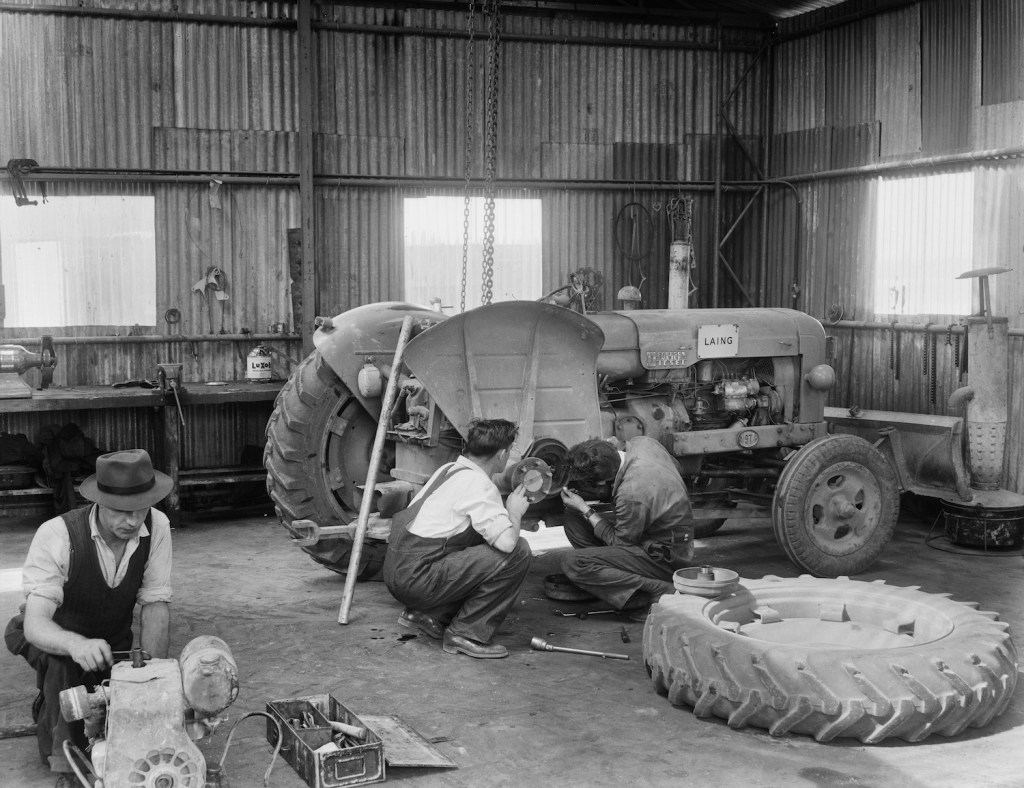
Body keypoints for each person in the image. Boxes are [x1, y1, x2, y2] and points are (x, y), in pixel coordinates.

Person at [5, 449, 173, 788]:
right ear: (99, 502)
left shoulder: (158, 527)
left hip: (112, 637)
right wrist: (75, 643)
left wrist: (153, 674)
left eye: (141, 508)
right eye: (122, 511)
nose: (133, 520)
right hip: (55, 634)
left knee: (123, 699)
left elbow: (155, 604)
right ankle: (68, 769)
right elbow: (37, 623)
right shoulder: (57, 535)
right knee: (66, 669)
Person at [383, 418, 531, 659]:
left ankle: (428, 614)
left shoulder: (449, 469)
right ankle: (466, 633)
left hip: (397, 571)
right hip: (417, 579)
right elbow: (507, 543)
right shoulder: (479, 484)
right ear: (502, 454)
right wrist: (514, 512)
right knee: (517, 552)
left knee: (477, 538)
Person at [555, 436, 693, 617]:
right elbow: (678, 466)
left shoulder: (631, 493)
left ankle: (658, 588)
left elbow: (621, 543)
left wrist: (584, 507)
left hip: (665, 555)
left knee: (572, 562)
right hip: (657, 533)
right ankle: (613, 580)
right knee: (573, 520)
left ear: (601, 482)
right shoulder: (643, 442)